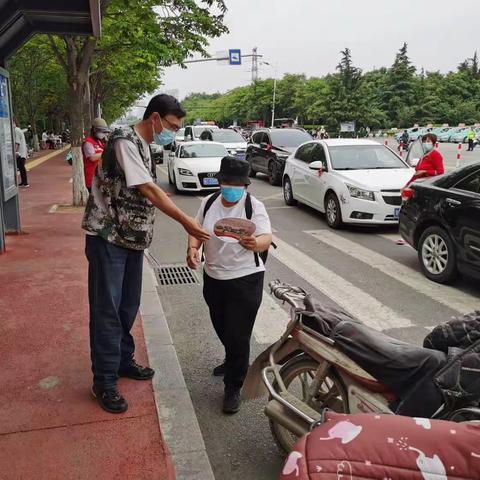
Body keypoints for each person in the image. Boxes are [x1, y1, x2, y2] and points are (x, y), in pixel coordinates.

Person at [82, 94, 210, 414]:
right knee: (107, 311)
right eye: (171, 126)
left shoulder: (144, 144)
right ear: (155, 118)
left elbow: (143, 187)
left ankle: (123, 361)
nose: (173, 133)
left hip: (132, 240)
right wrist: (187, 223)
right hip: (108, 237)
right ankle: (105, 381)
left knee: (127, 307)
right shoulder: (125, 140)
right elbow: (148, 189)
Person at [187, 157, 272, 414]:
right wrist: (192, 248)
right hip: (213, 276)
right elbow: (196, 228)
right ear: (220, 181)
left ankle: (234, 385)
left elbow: (267, 237)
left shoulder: (253, 206)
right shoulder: (209, 202)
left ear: (246, 186)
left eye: (239, 184)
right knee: (221, 325)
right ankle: (233, 358)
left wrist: (255, 244)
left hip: (246, 278)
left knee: (238, 333)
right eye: (228, 182)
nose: (233, 188)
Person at [82, 118, 109, 192]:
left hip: (100, 178)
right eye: (101, 131)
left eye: (104, 131)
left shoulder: (100, 142)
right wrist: (106, 152)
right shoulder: (88, 143)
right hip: (91, 178)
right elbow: (92, 157)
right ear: (94, 130)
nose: (103, 133)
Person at [13, 120, 29, 188]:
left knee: (21, 167)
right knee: (21, 167)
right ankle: (23, 182)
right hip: (22, 152)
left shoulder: (16, 130)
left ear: (14, 123)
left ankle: (25, 182)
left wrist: (14, 152)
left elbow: (17, 143)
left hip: (20, 153)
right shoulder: (18, 130)